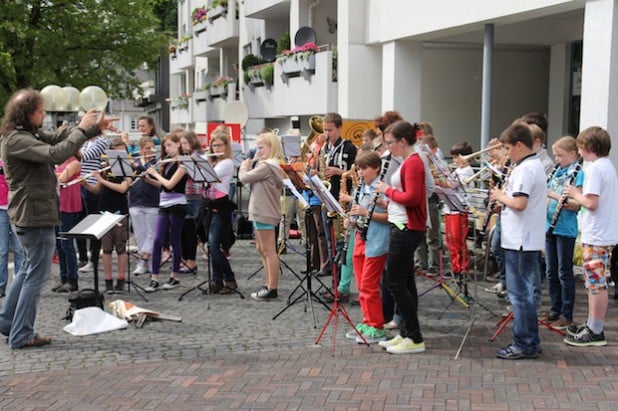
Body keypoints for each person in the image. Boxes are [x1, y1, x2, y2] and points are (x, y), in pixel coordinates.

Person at [0, 88, 114, 349]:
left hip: (31, 213)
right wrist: (84, 131)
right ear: (26, 114)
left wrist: (93, 127)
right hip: (34, 215)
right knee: (36, 278)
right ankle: (21, 334)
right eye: (39, 110)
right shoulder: (18, 140)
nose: (43, 114)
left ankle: (8, 322)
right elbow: (56, 154)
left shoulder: (25, 134)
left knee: (28, 271)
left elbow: (57, 137)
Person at [490, 121, 547, 360]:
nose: (506, 152)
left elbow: (520, 203)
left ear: (520, 145)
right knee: (522, 294)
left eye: (508, 147)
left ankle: (524, 343)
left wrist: (500, 196)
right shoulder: (527, 165)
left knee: (520, 295)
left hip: (520, 240)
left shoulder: (526, 169)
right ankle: (529, 340)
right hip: (522, 239)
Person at [374, 120, 427, 354]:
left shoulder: (413, 162)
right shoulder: (408, 161)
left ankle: (414, 336)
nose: (388, 148)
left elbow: (413, 198)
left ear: (403, 142)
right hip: (401, 222)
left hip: (405, 227)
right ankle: (407, 333)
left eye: (390, 143)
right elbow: (404, 196)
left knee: (394, 282)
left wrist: (388, 191)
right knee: (404, 281)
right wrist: (386, 199)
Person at [563, 126, 618, 347]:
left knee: (596, 283)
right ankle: (592, 323)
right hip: (601, 233)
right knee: (594, 281)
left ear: (588, 148)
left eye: (581, 147)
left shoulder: (595, 169)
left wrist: (575, 194)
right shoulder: (607, 166)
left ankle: (596, 330)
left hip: (597, 234)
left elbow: (592, 203)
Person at [343, 151, 390, 344]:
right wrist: (351, 219)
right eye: (359, 169)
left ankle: (376, 326)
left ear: (376, 168)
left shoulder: (382, 188)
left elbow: (391, 217)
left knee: (370, 285)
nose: (361, 173)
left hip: (377, 240)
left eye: (364, 169)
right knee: (361, 284)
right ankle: (367, 320)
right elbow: (358, 213)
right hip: (360, 238)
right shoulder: (361, 188)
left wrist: (364, 212)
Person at [541, 136, 583, 330]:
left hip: (565, 229)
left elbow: (576, 205)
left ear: (573, 154)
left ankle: (567, 314)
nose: (556, 159)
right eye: (555, 155)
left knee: (563, 272)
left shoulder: (578, 174)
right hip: (550, 226)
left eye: (560, 155)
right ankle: (554, 309)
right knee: (551, 271)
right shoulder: (557, 172)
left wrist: (556, 196)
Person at [239, 131, 284, 300]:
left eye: (261, 147)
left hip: (265, 211)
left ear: (271, 147)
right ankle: (268, 283)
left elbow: (244, 178)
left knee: (269, 250)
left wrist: (244, 165)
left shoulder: (267, 166)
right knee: (261, 248)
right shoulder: (266, 164)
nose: (258, 151)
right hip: (260, 211)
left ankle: (272, 288)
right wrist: (256, 159)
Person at [144, 134, 188, 292]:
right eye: (165, 147)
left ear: (178, 144)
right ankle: (154, 278)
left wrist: (155, 174)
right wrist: (149, 180)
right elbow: (162, 186)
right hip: (164, 203)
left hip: (177, 204)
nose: (167, 149)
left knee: (175, 240)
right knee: (157, 240)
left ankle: (174, 276)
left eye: (169, 145)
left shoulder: (183, 164)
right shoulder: (166, 164)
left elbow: (170, 185)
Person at [93, 138, 132, 293]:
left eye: (122, 152)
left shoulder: (126, 169)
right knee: (106, 249)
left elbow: (123, 188)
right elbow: (97, 190)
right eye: (115, 152)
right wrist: (86, 184)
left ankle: (121, 280)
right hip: (104, 211)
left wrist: (101, 180)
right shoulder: (104, 168)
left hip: (119, 213)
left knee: (121, 248)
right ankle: (108, 280)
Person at [202, 130, 237, 295]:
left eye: (219, 145)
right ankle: (216, 280)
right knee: (211, 246)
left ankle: (229, 279)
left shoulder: (227, 163)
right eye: (213, 145)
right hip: (208, 206)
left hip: (220, 207)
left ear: (226, 146)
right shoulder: (212, 161)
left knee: (215, 245)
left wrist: (202, 161)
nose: (216, 148)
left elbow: (209, 176)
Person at [445, 141, 475, 295]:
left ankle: (462, 269)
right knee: (450, 241)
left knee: (458, 241)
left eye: (457, 157)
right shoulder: (456, 170)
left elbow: (452, 185)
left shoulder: (467, 171)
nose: (455, 160)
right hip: (450, 209)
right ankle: (455, 267)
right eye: (454, 157)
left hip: (460, 210)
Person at [128, 136, 160, 276]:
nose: (150, 150)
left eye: (152, 147)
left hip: (152, 201)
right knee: (140, 233)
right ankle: (146, 261)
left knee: (152, 233)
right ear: (141, 149)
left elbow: (150, 173)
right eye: (147, 148)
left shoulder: (156, 162)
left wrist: (138, 167)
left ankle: (145, 259)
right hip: (135, 200)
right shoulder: (133, 162)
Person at [52, 155, 82, 292]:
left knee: (66, 243)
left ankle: (72, 279)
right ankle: (63, 277)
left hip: (68, 206)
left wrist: (56, 174)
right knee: (59, 244)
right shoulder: (61, 161)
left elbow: (60, 179)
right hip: (57, 205)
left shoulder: (74, 162)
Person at [0, 159, 24, 297]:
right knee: (2, 250)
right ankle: (1, 286)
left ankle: (19, 286)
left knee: (19, 249)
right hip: (1, 208)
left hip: (17, 206)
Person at [180, 130, 202, 274]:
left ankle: (191, 261)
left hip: (194, 195)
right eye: (181, 143)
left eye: (185, 143)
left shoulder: (197, 156)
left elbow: (199, 176)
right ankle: (186, 259)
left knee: (190, 230)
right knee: (184, 230)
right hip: (184, 195)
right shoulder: (186, 157)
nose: (183, 146)